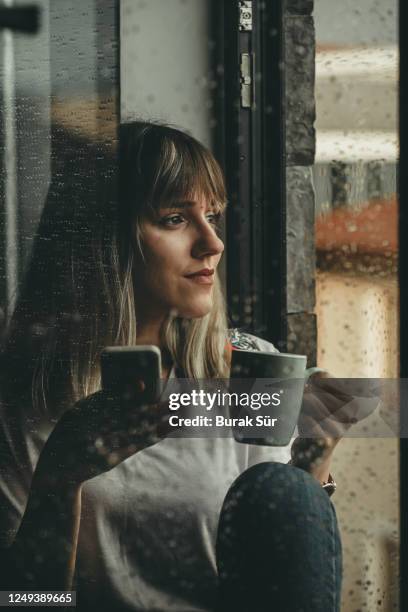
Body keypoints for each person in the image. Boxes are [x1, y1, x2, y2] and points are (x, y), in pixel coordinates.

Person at [0, 122, 344, 611]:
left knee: (284, 487)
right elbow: (26, 602)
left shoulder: (245, 371)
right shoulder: (21, 402)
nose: (212, 243)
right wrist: (61, 476)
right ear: (103, 240)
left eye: (212, 216)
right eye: (175, 219)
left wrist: (314, 463)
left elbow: (274, 574)